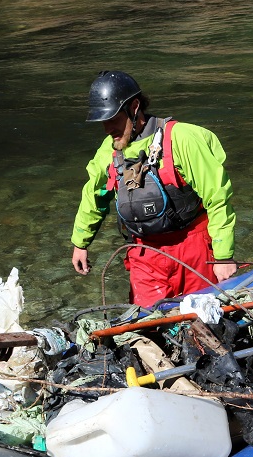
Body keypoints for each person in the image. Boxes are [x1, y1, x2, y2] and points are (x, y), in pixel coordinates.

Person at [70, 71, 238, 307]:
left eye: (113, 118)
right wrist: (81, 243)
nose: (107, 128)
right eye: (103, 121)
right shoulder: (108, 151)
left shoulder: (182, 138)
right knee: (147, 321)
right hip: (144, 255)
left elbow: (218, 197)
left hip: (193, 248)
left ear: (134, 107)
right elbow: (94, 196)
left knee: (202, 319)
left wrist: (223, 257)